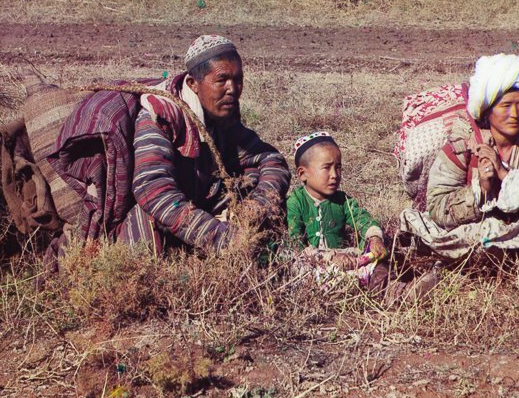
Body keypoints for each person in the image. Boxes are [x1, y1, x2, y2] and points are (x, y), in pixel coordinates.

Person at [118, 35, 291, 254]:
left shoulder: (220, 114)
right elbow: (152, 189)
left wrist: (259, 204)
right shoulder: (159, 116)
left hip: (201, 205)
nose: (233, 89)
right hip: (174, 216)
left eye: (238, 79)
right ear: (193, 84)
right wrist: (220, 238)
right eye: (222, 80)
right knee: (149, 216)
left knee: (253, 178)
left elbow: (270, 158)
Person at [400, 53, 519, 259]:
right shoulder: (463, 144)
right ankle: (499, 255)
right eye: (505, 106)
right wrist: (480, 189)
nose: (514, 114)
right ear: (487, 110)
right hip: (475, 227)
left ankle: (495, 256)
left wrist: (505, 175)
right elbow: (437, 206)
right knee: (435, 230)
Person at [284, 132, 388, 286]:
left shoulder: (343, 200)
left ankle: (395, 288)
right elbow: (295, 244)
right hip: (314, 262)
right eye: (326, 168)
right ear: (302, 174)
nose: (334, 175)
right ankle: (359, 283)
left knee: (379, 264)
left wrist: (374, 238)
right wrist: (328, 258)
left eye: (338, 167)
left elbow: (362, 219)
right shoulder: (295, 202)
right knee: (299, 269)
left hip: (347, 259)